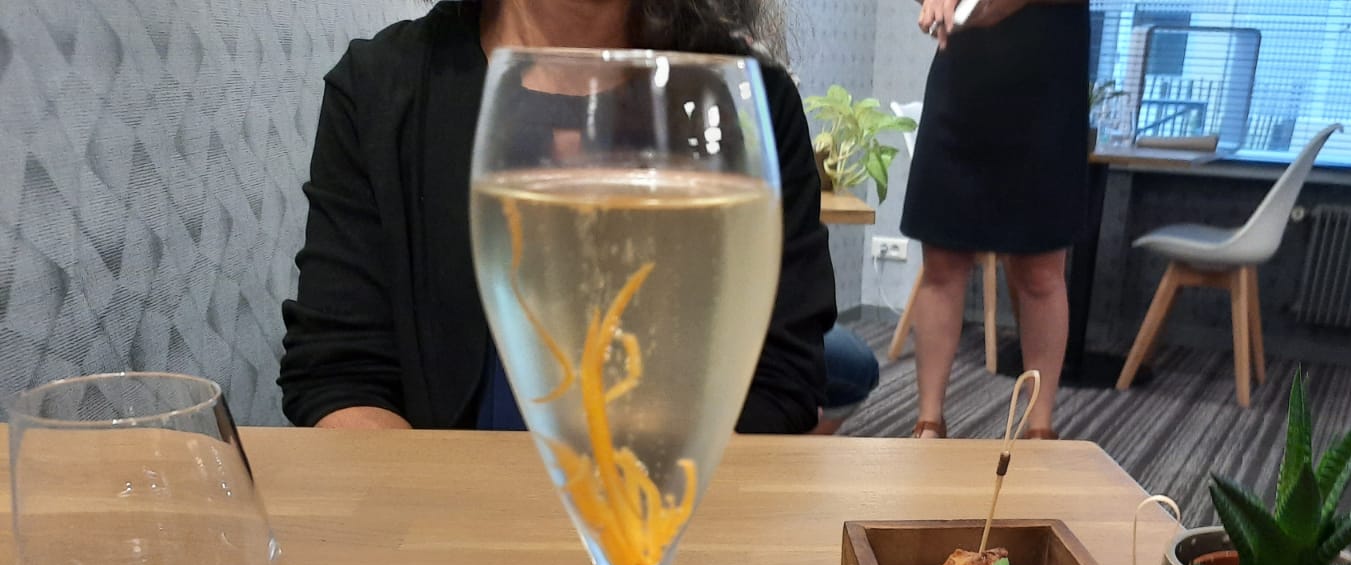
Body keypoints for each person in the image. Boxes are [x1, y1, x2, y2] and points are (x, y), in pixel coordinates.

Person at [279, 0, 835, 434]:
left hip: (677, 526)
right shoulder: (378, 90)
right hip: (447, 534)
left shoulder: (750, 103)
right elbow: (342, 378)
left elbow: (780, 380)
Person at [902, 0, 1088, 439]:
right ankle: (928, 422)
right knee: (942, 263)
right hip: (960, 84)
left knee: (1040, 271)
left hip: (1047, 85)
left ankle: (1038, 428)